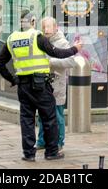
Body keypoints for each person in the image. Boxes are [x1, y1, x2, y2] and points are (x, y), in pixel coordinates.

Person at [0, 10, 82, 162]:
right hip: (40, 85)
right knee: (49, 118)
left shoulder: (12, 39)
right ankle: (51, 152)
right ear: (33, 22)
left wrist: (12, 79)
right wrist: (75, 49)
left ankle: (28, 154)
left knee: (27, 120)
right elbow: (57, 53)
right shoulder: (37, 36)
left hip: (23, 85)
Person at [36, 17, 76, 152]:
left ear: (55, 27)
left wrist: (51, 61)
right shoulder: (41, 42)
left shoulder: (62, 43)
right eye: (44, 27)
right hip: (43, 84)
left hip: (57, 85)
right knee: (42, 114)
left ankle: (59, 141)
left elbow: (71, 62)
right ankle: (42, 141)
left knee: (57, 115)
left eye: (49, 27)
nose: (46, 30)